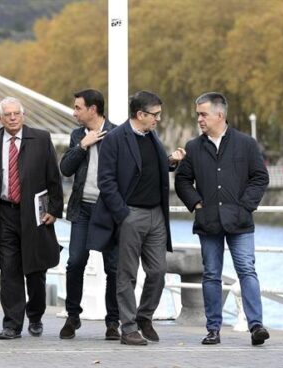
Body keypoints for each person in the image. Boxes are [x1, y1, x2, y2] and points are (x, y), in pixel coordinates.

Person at [175, 92, 270, 346]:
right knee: (211, 274)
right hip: (208, 221)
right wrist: (195, 202)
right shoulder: (194, 147)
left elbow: (260, 177)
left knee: (247, 270)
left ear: (220, 115)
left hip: (240, 222)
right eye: (198, 115)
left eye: (203, 114)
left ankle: (256, 326)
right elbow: (182, 179)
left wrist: (245, 206)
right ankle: (213, 329)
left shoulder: (246, 144)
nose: (199, 119)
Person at [95, 90, 185, 345]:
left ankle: (144, 316)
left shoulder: (152, 136)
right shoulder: (114, 139)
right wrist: (123, 214)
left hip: (157, 214)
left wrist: (171, 162)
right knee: (127, 274)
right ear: (140, 114)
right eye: (155, 114)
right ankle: (128, 328)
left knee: (158, 271)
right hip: (130, 214)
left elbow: (148, 167)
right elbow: (106, 181)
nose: (158, 118)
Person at [0, 97, 64, 340]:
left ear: (23, 116)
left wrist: (54, 210)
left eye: (17, 113)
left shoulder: (41, 139)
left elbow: (53, 179)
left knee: (36, 270)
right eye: (8, 114)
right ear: (0, 119)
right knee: (9, 269)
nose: (13, 117)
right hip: (3, 213)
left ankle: (35, 316)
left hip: (34, 214)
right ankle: (12, 324)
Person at [58, 89, 120, 340]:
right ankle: (73, 316)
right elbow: (65, 169)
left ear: (93, 109)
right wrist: (82, 146)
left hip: (108, 210)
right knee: (75, 263)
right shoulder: (76, 135)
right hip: (82, 208)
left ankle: (113, 322)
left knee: (113, 267)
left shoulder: (118, 133)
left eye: (77, 108)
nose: (74, 112)